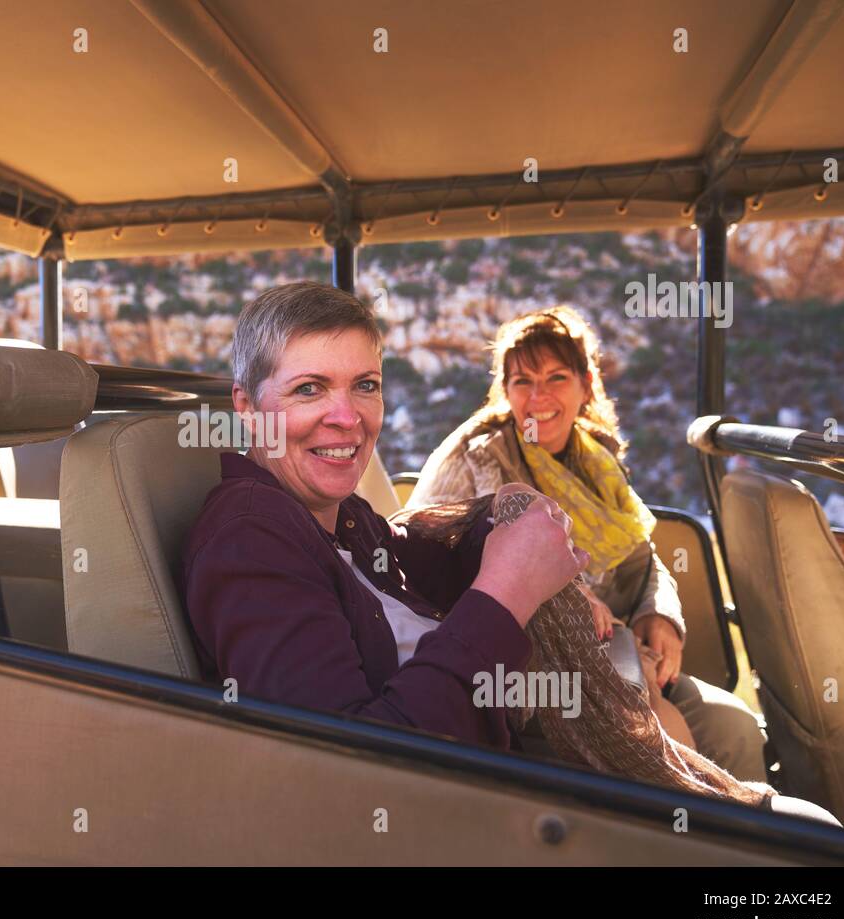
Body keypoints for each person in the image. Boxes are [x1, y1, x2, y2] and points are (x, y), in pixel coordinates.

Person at [181, 282, 585, 748]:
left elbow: (413, 554)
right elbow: (350, 761)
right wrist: (506, 593)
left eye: (365, 386)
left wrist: (497, 518)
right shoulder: (250, 543)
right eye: (309, 389)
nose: (348, 417)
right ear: (248, 409)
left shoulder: (341, 517)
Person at [407, 306, 768, 782]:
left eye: (556, 377)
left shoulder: (597, 457)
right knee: (660, 732)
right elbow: (429, 565)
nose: (539, 398)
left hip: (619, 651)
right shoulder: (477, 459)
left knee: (736, 725)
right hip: (529, 670)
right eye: (521, 382)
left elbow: (643, 556)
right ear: (504, 391)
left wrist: (657, 614)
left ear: (586, 384)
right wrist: (565, 593)